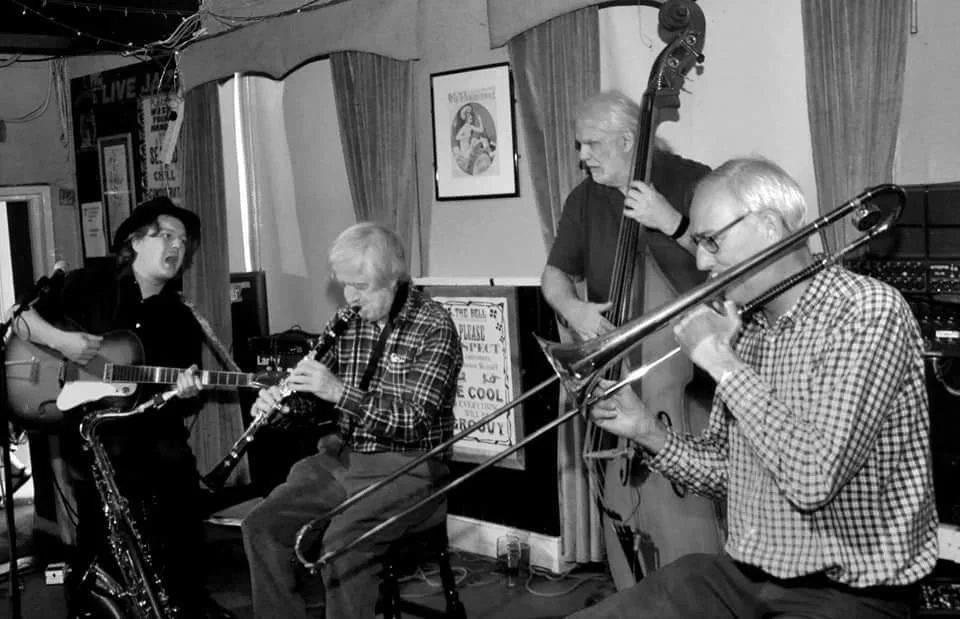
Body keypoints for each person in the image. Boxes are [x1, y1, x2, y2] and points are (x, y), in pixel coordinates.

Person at [569, 157, 938, 618]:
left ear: (768, 226)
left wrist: (723, 364)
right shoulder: (747, 329)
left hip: (850, 589)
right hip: (746, 575)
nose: (701, 261)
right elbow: (729, 472)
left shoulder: (866, 312)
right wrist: (647, 430)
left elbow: (813, 480)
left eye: (711, 240)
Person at [14, 196, 234, 618]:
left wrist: (185, 392)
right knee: (101, 552)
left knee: (181, 527)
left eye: (183, 241)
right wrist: (64, 343)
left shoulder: (181, 319)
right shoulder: (88, 285)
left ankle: (173, 604)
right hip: (96, 444)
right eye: (166, 235)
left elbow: (183, 404)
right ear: (134, 241)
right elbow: (22, 319)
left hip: (156, 446)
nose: (177, 246)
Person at [241, 221, 463, 619]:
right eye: (344, 285)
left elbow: (413, 422)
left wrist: (339, 392)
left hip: (409, 466)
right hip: (340, 458)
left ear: (393, 279)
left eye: (360, 286)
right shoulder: (346, 321)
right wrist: (281, 407)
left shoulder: (434, 326)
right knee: (261, 527)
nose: (349, 297)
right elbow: (311, 403)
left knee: (341, 546)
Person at [542, 89, 711, 341]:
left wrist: (673, 223)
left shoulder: (694, 180)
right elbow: (555, 273)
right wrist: (572, 309)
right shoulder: (582, 199)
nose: (583, 156)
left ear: (626, 140)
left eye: (592, 144)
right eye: (580, 145)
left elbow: (730, 260)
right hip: (618, 350)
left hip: (696, 347)